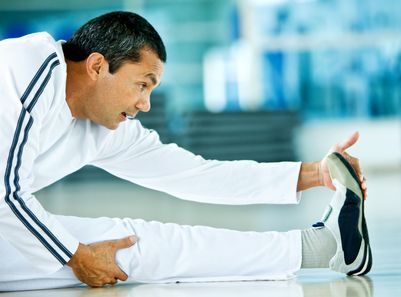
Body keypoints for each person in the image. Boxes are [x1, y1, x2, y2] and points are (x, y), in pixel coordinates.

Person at [0, 11, 371, 290]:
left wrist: (316, 173)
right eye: (142, 84)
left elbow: (198, 175)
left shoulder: (106, 127)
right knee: (108, 249)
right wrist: (74, 255)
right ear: (98, 66)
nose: (145, 103)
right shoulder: (30, 71)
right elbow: (7, 194)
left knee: (129, 245)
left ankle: (321, 246)